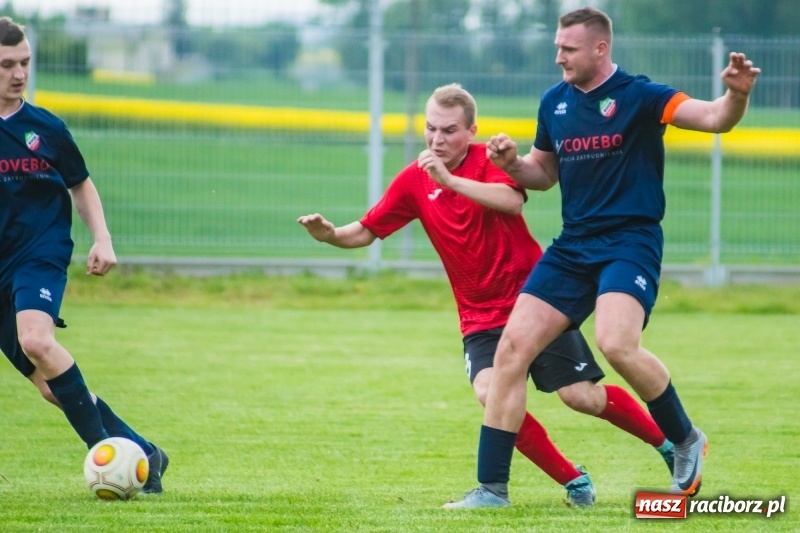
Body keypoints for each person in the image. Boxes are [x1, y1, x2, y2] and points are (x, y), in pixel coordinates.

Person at [298, 82, 678, 507]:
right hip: (478, 318)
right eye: (431, 129)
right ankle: (574, 482)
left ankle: (668, 444)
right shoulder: (415, 180)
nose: (437, 139)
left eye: (449, 131)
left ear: (471, 131)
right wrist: (329, 234)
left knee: (582, 397)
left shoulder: (487, 161)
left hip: (533, 304)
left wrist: (450, 181)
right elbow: (366, 231)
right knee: (490, 393)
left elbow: (512, 201)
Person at [445, 7, 761, 509]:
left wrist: (737, 95)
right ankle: (491, 490)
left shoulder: (642, 95)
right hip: (574, 245)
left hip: (629, 241)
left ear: (599, 48)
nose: (558, 57)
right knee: (510, 351)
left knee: (616, 343)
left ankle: (684, 439)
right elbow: (543, 175)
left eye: (567, 49)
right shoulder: (555, 102)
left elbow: (715, 118)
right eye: (557, 47)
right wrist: (511, 165)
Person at [0, 17, 168, 493]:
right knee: (52, 387)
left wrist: (103, 238)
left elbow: (80, 183)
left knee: (36, 339)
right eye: (7, 65)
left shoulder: (46, 128)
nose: (18, 74)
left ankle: (111, 459)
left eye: (25, 63)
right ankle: (143, 451)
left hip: (40, 254)